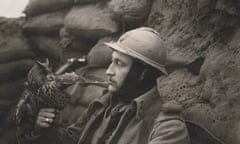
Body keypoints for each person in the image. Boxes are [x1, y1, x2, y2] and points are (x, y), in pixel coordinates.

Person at [18, 27, 190, 144]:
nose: (109, 71)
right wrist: (48, 129)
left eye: (119, 64)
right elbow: (73, 139)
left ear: (143, 73)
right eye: (111, 62)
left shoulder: (168, 128)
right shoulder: (103, 105)